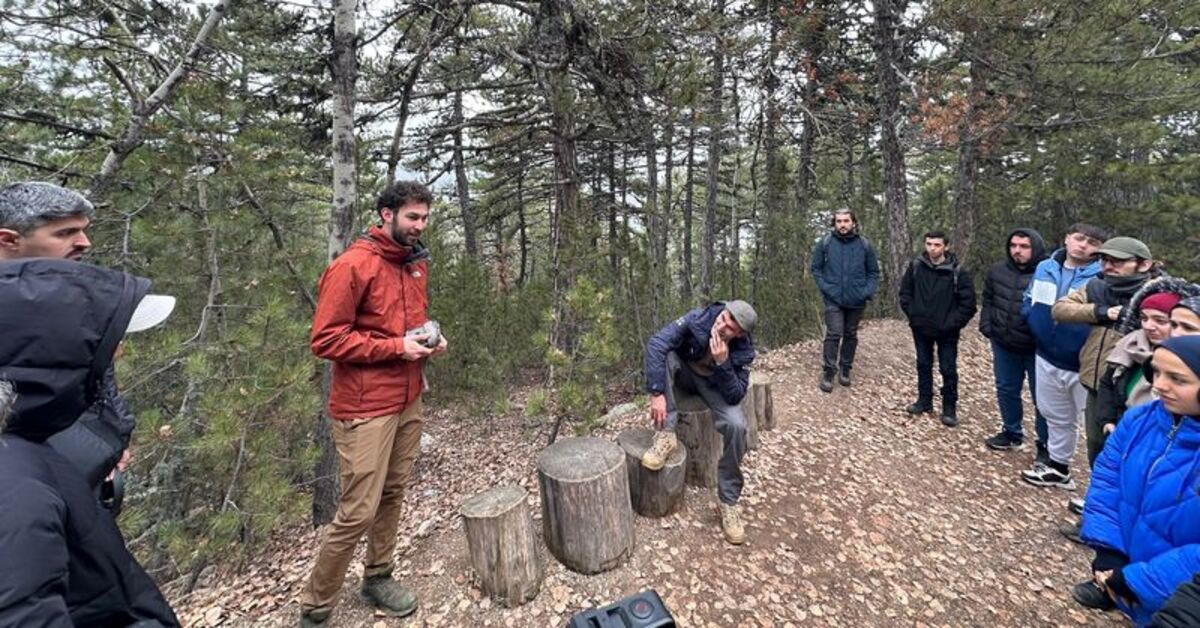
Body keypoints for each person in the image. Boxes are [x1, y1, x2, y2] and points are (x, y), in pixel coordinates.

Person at [0, 258, 178, 627]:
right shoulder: (15, 484)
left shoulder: (30, 446)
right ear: (58, 352)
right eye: (108, 341)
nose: (118, 352)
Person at [301, 181, 448, 627]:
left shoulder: (412, 264)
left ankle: (378, 576)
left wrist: (429, 339)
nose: (420, 227)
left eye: (424, 218)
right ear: (386, 214)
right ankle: (316, 606)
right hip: (365, 408)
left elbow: (408, 324)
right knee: (358, 509)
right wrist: (396, 348)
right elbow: (325, 339)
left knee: (393, 492)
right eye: (412, 218)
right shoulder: (353, 266)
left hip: (408, 398)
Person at [0, 181, 137, 514]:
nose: (84, 243)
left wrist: (105, 443)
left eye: (83, 231)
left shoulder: (71, 302)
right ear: (8, 240)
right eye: (65, 233)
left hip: (75, 493)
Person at [1071, 335, 1200, 627]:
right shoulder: (1139, 419)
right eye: (1157, 372)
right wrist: (1109, 552)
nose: (1158, 385)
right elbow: (1106, 481)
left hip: (1179, 597)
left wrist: (1138, 581)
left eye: (1177, 379)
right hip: (1126, 576)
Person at [641, 300, 757, 545]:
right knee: (667, 354)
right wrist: (656, 392)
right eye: (725, 317)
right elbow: (657, 343)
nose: (723, 325)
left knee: (737, 426)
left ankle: (728, 501)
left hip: (713, 384)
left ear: (739, 334)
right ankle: (666, 435)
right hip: (684, 375)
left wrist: (723, 363)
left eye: (731, 327)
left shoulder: (744, 350)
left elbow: (736, 394)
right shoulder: (698, 318)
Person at [1019, 223, 1106, 487]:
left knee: (1094, 425)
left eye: (1092, 242)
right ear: (1067, 238)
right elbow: (1030, 297)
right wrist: (1033, 320)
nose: (1083, 245)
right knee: (1054, 414)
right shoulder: (1046, 266)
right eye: (1079, 238)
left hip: (1082, 363)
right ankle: (1058, 467)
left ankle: (1101, 488)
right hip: (1046, 354)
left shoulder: (1102, 277)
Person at [979, 228, 1049, 451]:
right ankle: (1012, 432)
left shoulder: (1047, 273)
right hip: (1004, 342)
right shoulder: (998, 270)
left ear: (1034, 248)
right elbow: (988, 298)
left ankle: (1046, 444)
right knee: (1006, 389)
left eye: (1024, 246)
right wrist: (987, 325)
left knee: (1043, 398)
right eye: (1014, 246)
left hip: (1037, 347)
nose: (1017, 251)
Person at [899, 230, 977, 427]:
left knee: (948, 368)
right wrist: (914, 315)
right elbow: (905, 293)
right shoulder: (916, 266)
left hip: (947, 331)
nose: (932, 248)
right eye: (929, 244)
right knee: (923, 364)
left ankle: (949, 407)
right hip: (921, 327)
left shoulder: (958, 271)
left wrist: (952, 323)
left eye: (937, 245)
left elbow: (968, 304)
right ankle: (924, 401)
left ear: (946, 246)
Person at [810, 209, 880, 392]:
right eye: (839, 221)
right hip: (833, 298)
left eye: (846, 221)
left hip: (857, 299)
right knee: (834, 333)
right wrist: (826, 287)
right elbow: (816, 268)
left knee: (850, 333)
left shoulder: (864, 244)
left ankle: (846, 369)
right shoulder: (826, 243)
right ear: (835, 223)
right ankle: (828, 371)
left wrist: (866, 291)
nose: (842, 224)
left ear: (853, 223)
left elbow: (873, 272)